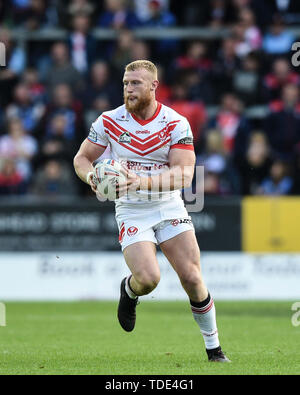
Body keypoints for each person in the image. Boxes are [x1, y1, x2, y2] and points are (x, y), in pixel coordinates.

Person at [73, 60, 230, 363]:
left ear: (153, 86)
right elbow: (82, 159)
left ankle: (215, 351)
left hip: (168, 204)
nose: (128, 89)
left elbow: (184, 176)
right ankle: (129, 292)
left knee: (193, 278)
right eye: (124, 83)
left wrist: (139, 181)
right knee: (148, 279)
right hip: (131, 209)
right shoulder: (109, 121)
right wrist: (91, 176)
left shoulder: (175, 123)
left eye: (135, 83)